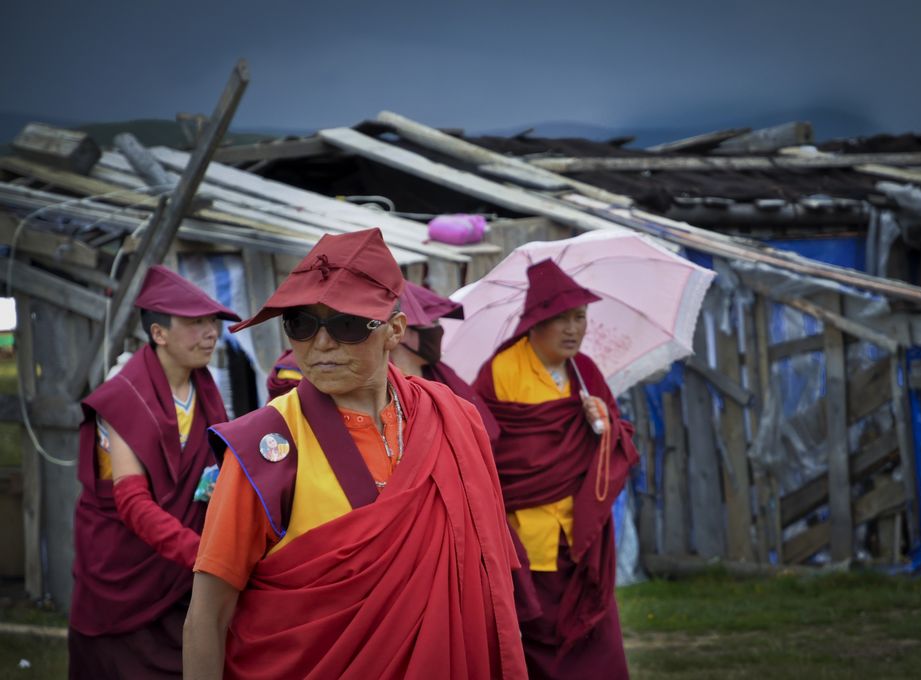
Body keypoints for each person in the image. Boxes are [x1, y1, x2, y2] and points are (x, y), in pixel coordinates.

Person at [183, 228, 527, 680]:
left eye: (346, 325)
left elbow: (487, 580)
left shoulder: (452, 421)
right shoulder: (266, 446)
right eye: (300, 324)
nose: (321, 345)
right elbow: (208, 615)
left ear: (394, 331)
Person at [69, 265, 240, 679]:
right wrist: (202, 554)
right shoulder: (122, 397)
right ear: (159, 333)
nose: (210, 332)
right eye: (194, 323)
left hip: (184, 570)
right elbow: (130, 502)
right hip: (128, 569)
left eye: (212, 322)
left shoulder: (205, 386)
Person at [473, 259, 639, 680]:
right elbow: (489, 448)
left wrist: (602, 421)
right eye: (559, 318)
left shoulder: (585, 372)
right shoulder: (501, 371)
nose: (572, 329)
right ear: (535, 321)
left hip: (581, 533)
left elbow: (618, 439)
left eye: (580, 317)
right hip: (529, 534)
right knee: (536, 638)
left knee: (594, 638)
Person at [390, 281, 500, 441]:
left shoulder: (444, 376)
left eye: (438, 322)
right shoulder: (385, 387)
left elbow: (484, 430)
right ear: (401, 330)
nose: (439, 330)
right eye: (433, 322)